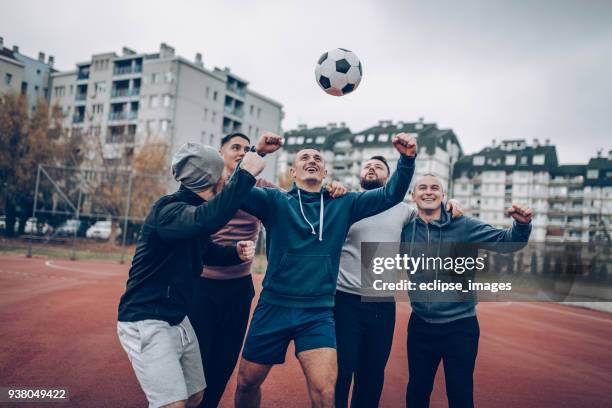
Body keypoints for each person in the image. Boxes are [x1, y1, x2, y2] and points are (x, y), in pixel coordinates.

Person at [234, 133, 418, 408]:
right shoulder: (274, 201)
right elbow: (236, 189)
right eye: (304, 158)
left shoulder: (343, 203)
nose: (312, 160)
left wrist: (407, 159)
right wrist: (257, 153)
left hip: (317, 311)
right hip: (274, 305)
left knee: (326, 394)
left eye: (317, 158)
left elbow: (391, 194)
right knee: (247, 383)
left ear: (325, 171)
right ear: (293, 171)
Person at [189, 132, 347, 408]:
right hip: (203, 283)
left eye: (244, 148)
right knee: (197, 363)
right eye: (235, 148)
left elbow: (296, 203)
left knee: (226, 362)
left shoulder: (265, 189)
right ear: (220, 153)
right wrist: (258, 152)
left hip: (238, 285)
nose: (240, 152)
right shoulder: (206, 187)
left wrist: (328, 190)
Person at [116, 143, 265, 408]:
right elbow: (206, 220)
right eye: (221, 173)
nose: (224, 178)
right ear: (211, 177)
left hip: (176, 318)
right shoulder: (169, 210)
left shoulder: (192, 209)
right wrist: (246, 176)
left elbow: (205, 249)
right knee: (172, 403)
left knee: (196, 396)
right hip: (146, 319)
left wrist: (234, 253)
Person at [334, 157, 463, 408]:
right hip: (344, 301)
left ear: (390, 177)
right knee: (341, 372)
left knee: (371, 376)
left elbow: (432, 210)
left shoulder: (404, 210)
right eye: (367, 165)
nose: (371, 168)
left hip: (381, 306)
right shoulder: (345, 203)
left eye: (379, 166)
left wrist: (451, 203)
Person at [402, 174, 533, 408]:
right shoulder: (404, 230)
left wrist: (522, 225)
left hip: (460, 326)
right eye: (422, 187)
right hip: (420, 324)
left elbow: (508, 241)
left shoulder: (465, 225)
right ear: (413, 196)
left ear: (443, 196)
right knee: (417, 390)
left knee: (460, 392)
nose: (428, 192)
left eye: (435, 188)